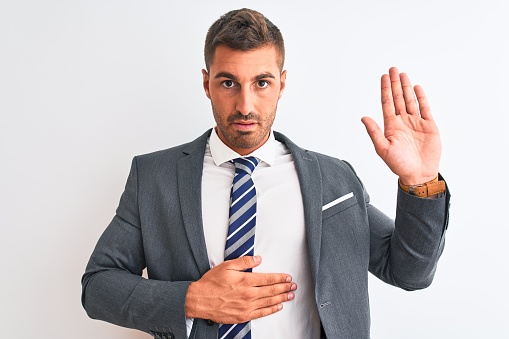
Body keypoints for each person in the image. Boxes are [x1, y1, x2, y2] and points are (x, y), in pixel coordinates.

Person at [81, 8, 450, 339]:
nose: (245, 105)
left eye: (261, 82)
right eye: (228, 83)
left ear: (282, 84)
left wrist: (420, 181)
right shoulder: (154, 177)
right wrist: (191, 299)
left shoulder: (334, 179)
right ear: (206, 83)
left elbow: (409, 273)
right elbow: (97, 287)